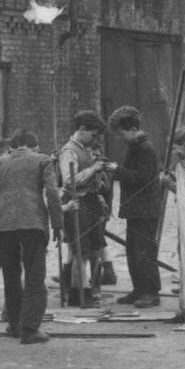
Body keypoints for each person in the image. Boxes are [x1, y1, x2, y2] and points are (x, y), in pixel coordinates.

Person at [0, 130, 63, 344]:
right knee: (35, 276)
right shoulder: (42, 160)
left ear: (12, 147)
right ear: (33, 147)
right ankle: (30, 329)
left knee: (11, 276)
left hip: (3, 226)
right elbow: (52, 192)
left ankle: (14, 325)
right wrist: (58, 224)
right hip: (33, 225)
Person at [58, 109, 116, 306]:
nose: (95, 139)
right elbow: (69, 181)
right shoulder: (69, 151)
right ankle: (78, 294)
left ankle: (88, 290)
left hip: (91, 203)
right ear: (82, 129)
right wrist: (92, 169)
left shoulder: (85, 148)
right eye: (93, 135)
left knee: (92, 250)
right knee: (79, 252)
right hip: (78, 204)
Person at [108, 105, 164, 308]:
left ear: (132, 129)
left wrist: (118, 170)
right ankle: (139, 289)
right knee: (133, 250)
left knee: (144, 251)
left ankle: (150, 292)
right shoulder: (135, 146)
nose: (120, 137)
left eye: (121, 133)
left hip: (145, 210)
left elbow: (143, 178)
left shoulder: (145, 149)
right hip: (137, 209)